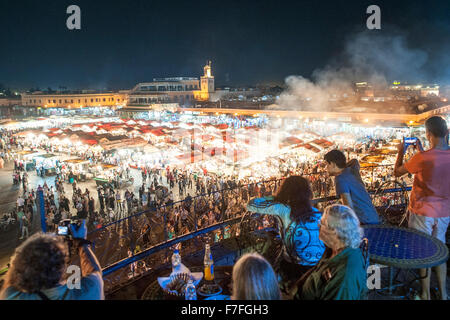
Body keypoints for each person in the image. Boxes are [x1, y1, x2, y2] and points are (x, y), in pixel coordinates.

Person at [394, 116, 450, 300]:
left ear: (428, 134)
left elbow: (397, 172)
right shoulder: (431, 156)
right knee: (439, 251)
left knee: (423, 252)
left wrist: (401, 152)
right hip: (444, 213)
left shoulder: (422, 158)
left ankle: (425, 293)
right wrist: (422, 151)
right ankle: (443, 294)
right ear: (447, 132)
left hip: (422, 212)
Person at [247, 176, 325, 289]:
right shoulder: (316, 212)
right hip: (316, 264)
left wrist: (276, 198)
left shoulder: (283, 208)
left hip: (293, 266)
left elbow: (251, 204)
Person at [0, 220, 104, 300]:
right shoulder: (88, 292)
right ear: (62, 267)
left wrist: (24, 256)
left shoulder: (11, 296)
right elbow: (95, 272)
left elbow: (10, 280)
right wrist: (81, 243)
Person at [293, 204, 367, 300]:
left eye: (322, 223)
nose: (318, 225)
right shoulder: (333, 249)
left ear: (334, 232)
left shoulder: (345, 275)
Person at [324, 150, 380, 225]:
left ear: (333, 164)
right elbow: (355, 161)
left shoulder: (340, 179)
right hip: (374, 216)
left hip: (365, 222)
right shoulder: (352, 170)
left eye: (327, 164)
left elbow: (348, 207)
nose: (325, 168)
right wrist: (342, 166)